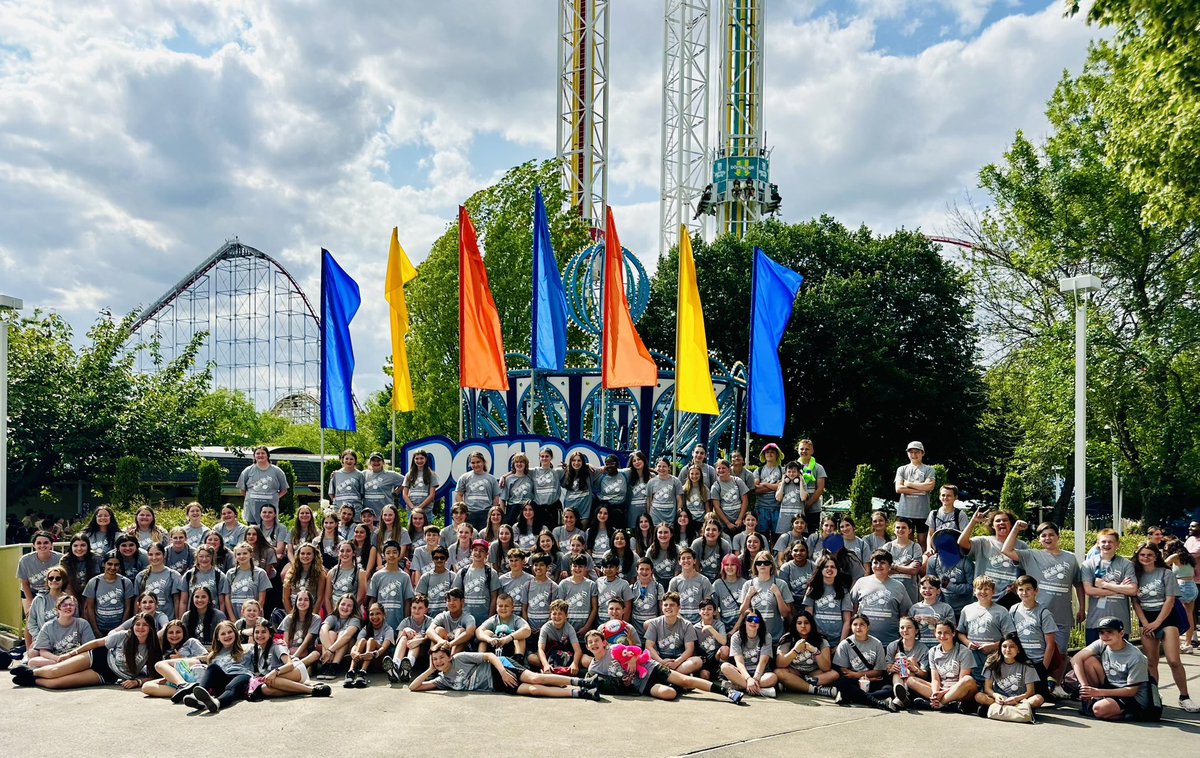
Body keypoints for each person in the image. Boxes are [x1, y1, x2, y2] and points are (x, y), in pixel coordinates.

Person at [1000, 519, 1083, 694]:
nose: (1047, 538)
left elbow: (1078, 584)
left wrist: (1082, 608)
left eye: (1051, 534)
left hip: (1061, 616)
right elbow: (1006, 550)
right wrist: (1015, 529)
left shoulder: (1070, 558)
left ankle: (1056, 686)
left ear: (1058, 537)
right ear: (1039, 539)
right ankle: (1035, 686)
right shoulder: (1032, 555)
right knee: (1033, 654)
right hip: (1034, 617)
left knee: (1059, 654)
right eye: (1043, 535)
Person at [10, 610, 160, 691]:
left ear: (151, 628)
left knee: (55, 684)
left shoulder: (152, 649)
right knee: (54, 671)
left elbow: (155, 675)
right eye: (137, 624)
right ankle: (29, 671)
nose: (140, 628)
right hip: (98, 657)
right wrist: (71, 654)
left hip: (107, 674)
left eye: (145, 625)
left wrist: (137, 682)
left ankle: (33, 681)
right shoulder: (123, 636)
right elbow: (95, 643)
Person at [584, 629, 744, 703]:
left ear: (604, 642)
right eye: (590, 642)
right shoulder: (593, 668)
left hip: (650, 667)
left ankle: (727, 692)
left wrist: (633, 658)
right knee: (670, 694)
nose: (594, 644)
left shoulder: (614, 649)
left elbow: (639, 650)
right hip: (641, 684)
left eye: (596, 640)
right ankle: (677, 686)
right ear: (587, 647)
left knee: (685, 680)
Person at [411, 641, 600, 699]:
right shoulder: (442, 680)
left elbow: (490, 656)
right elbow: (414, 687)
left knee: (535, 679)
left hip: (500, 668)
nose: (438, 661)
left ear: (449, 656)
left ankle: (583, 681)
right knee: (534, 691)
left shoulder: (460, 658)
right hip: (498, 685)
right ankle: (582, 693)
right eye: (435, 659)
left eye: (441, 658)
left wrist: (502, 670)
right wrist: (430, 669)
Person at [1132, 541, 1196, 711]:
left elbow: (1170, 600)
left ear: (1156, 557)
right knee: (1151, 662)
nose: (1146, 558)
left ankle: (1184, 696)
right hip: (1146, 619)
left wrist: (1157, 623)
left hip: (1166, 618)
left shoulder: (1165, 573)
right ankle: (1154, 696)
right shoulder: (1135, 575)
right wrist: (1146, 623)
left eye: (1150, 555)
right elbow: (1135, 601)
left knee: (1173, 660)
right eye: (1142, 555)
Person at [1073, 616, 1159, 721]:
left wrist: (1098, 692)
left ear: (1121, 633)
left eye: (1110, 632)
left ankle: (1133, 713)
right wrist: (1084, 687)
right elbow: (1075, 659)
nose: (1105, 636)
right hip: (1112, 687)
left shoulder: (1136, 657)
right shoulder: (1102, 643)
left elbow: (1132, 691)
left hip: (1133, 698)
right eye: (1102, 632)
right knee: (1088, 661)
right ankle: (1100, 701)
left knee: (1098, 709)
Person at [179, 619, 252, 712]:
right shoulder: (213, 655)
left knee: (234, 683)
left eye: (230, 632)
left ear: (235, 633)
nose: (227, 636)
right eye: (223, 634)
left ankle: (217, 702)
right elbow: (199, 659)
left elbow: (262, 646)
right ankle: (198, 697)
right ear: (217, 637)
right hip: (223, 680)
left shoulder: (248, 648)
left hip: (242, 677)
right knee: (212, 667)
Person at [958, 509, 1027, 607]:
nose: (1001, 523)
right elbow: (962, 542)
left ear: (1011, 524)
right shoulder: (983, 542)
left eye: (1005, 520)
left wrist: (1017, 586)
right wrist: (974, 521)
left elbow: (1026, 570)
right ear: (992, 525)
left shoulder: (1022, 546)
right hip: (983, 594)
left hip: (1009, 597)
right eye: (998, 521)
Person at [246, 620, 331, 699]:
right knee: (265, 689)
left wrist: (274, 672)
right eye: (256, 632)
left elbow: (289, 665)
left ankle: (312, 690)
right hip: (280, 678)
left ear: (270, 634)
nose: (260, 635)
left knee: (271, 680)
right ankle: (298, 689)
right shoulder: (257, 649)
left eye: (264, 632)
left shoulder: (277, 645)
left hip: (295, 670)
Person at [1082, 528, 1137, 643]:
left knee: (1118, 658)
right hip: (1096, 621)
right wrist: (1120, 589)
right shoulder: (1088, 565)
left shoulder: (1126, 564)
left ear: (1117, 544)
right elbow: (1089, 590)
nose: (1107, 544)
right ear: (1098, 544)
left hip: (1120, 620)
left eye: (1111, 542)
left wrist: (1104, 585)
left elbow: (1132, 590)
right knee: (1094, 658)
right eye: (1103, 542)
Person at [850, 550, 912, 647]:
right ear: (871, 565)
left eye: (882, 563)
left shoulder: (898, 586)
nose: (878, 566)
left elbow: (904, 613)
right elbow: (853, 609)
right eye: (875, 563)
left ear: (890, 566)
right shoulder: (861, 582)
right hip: (862, 640)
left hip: (890, 642)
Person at [958, 576, 1016, 679]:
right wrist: (968, 643)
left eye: (986, 589)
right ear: (974, 591)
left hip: (994, 656)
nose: (983, 592)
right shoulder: (967, 609)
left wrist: (993, 646)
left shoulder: (1001, 611)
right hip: (972, 656)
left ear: (993, 591)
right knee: (974, 682)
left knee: (991, 681)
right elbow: (960, 632)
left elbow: (1010, 636)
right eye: (979, 588)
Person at [1009, 575, 1057, 696]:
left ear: (1036, 591)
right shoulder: (1013, 610)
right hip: (1020, 661)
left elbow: (1050, 644)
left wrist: (1043, 669)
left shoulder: (1043, 613)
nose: (1024, 593)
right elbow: (1010, 637)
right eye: (1021, 589)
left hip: (1037, 661)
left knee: (1040, 697)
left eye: (1028, 589)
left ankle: (1050, 684)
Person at [775, 609, 840, 698]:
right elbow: (780, 663)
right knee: (778, 672)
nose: (803, 626)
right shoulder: (787, 638)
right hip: (795, 672)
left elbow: (826, 667)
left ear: (811, 624)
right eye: (799, 623)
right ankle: (816, 690)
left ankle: (794, 685)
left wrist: (815, 651)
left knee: (834, 674)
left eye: (806, 623)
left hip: (813, 674)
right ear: (795, 625)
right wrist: (795, 650)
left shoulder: (821, 639)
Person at [832, 614, 889, 707]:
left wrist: (866, 678)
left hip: (872, 680)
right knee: (842, 684)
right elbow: (844, 671)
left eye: (862, 624)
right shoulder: (844, 644)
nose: (858, 627)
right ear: (851, 626)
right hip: (853, 681)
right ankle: (875, 701)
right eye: (855, 624)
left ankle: (853, 697)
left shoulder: (877, 643)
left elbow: (878, 671)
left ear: (868, 627)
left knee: (888, 689)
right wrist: (858, 677)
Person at [18, 530, 63, 646]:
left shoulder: (59, 559)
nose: (42, 546)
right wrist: (31, 602)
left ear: (51, 544)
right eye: (39, 543)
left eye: (46, 542)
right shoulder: (25, 560)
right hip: (31, 591)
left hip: (52, 591)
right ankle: (28, 649)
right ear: (34, 545)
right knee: (30, 619)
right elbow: (25, 583)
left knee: (54, 616)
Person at [28, 594, 95, 669]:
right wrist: (58, 659)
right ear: (57, 609)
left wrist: (71, 656)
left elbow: (89, 646)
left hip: (76, 657)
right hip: (56, 658)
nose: (68, 607)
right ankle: (61, 666)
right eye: (64, 605)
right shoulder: (48, 626)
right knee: (32, 661)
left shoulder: (82, 623)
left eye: (71, 605)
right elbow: (43, 651)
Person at [925, 619, 979, 712]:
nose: (942, 636)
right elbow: (935, 679)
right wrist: (935, 693)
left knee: (968, 679)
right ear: (935, 634)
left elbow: (961, 681)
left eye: (946, 633)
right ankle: (937, 701)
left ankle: (940, 704)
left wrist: (943, 693)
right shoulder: (932, 651)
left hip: (960, 690)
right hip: (941, 688)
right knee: (911, 680)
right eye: (939, 633)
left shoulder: (964, 652)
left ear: (953, 633)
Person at [720, 613, 778, 697]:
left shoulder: (766, 636)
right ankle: (761, 691)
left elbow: (763, 661)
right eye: (750, 619)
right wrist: (748, 678)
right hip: (742, 673)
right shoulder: (736, 637)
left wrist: (755, 678)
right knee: (724, 667)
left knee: (773, 677)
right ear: (744, 622)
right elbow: (739, 663)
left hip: (760, 674)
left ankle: (739, 687)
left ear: (760, 622)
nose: (753, 622)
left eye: (756, 620)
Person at [740, 550, 793, 641]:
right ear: (755, 565)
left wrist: (778, 594)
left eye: (766, 563)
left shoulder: (780, 584)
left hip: (775, 637)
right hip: (754, 637)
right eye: (759, 563)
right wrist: (748, 596)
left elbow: (785, 613)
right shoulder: (748, 584)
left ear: (771, 564)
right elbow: (743, 613)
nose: (762, 565)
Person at [645, 592, 702, 674]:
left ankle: (668, 676)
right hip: (660, 658)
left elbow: (689, 649)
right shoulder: (654, 623)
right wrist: (661, 661)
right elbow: (649, 646)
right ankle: (676, 678)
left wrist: (676, 662)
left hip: (680, 660)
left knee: (697, 661)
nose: (668, 607)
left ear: (679, 607)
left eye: (672, 605)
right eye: (665, 605)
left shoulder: (687, 624)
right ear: (662, 607)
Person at [383, 593, 433, 683]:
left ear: (426, 609)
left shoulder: (430, 621)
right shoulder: (406, 621)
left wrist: (418, 640)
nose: (416, 611)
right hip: (406, 652)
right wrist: (405, 630)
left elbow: (430, 638)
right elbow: (397, 641)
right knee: (403, 638)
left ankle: (408, 666)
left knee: (416, 637)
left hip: (423, 653)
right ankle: (396, 665)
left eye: (420, 608)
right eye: (414, 608)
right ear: (410, 608)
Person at [805, 553, 853, 646]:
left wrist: (840, 644)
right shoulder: (812, 588)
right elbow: (808, 617)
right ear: (821, 569)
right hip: (818, 639)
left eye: (833, 567)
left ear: (837, 570)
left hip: (837, 640)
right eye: (826, 566)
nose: (829, 569)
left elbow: (847, 621)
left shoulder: (844, 590)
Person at [894, 441, 935, 549]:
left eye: (917, 452)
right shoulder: (902, 469)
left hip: (923, 512)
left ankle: (922, 564)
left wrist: (909, 484)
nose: (913, 454)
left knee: (923, 542)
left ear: (922, 453)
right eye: (911, 452)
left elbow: (929, 487)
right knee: (906, 542)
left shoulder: (929, 469)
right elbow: (898, 488)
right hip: (905, 512)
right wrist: (921, 489)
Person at [884, 615, 930, 710]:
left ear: (916, 631)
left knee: (910, 664)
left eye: (909, 627)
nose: (905, 630)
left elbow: (925, 674)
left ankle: (901, 697)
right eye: (902, 627)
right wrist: (891, 668)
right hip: (896, 679)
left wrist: (915, 668)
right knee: (898, 669)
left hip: (913, 682)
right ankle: (900, 692)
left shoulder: (923, 649)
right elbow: (888, 666)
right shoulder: (893, 645)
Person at [368, 540, 416, 630]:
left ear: (399, 554)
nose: (391, 555)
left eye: (394, 552)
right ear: (383, 555)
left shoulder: (404, 576)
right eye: (388, 552)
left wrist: (405, 623)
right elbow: (372, 599)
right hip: (380, 624)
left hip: (398, 623)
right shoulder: (377, 576)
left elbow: (407, 601)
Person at [345, 601, 394, 688]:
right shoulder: (366, 628)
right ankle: (351, 671)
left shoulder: (388, 629)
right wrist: (353, 653)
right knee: (363, 640)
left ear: (383, 615)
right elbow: (357, 645)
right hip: (364, 658)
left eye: (378, 614)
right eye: (371, 614)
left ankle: (362, 673)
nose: (374, 617)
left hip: (379, 659)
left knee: (371, 640)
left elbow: (384, 648)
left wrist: (373, 654)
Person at [84, 554, 135, 636]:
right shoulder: (94, 582)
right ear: (104, 564)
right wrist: (95, 629)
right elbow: (90, 607)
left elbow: (128, 607)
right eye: (110, 564)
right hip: (100, 627)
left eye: (116, 565)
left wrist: (122, 628)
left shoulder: (126, 582)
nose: (113, 567)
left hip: (118, 628)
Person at [237, 446, 289, 525]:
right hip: (252, 510)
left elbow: (284, 490)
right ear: (254, 456)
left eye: (263, 453)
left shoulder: (277, 471)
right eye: (258, 453)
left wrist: (274, 497)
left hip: (270, 509)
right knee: (253, 533)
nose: (260, 455)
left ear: (268, 455)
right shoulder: (247, 471)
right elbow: (242, 490)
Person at [453, 538, 500, 624]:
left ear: (486, 554)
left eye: (482, 551)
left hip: (484, 619)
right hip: (465, 619)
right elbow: (456, 596)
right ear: (471, 552)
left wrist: (490, 619)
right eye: (475, 550)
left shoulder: (491, 573)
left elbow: (494, 598)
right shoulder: (463, 572)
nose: (478, 553)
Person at [134, 541, 186, 619]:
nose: (154, 557)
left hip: (168, 620)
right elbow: (137, 601)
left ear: (164, 555)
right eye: (150, 554)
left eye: (158, 554)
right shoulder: (140, 576)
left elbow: (176, 601)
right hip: (146, 621)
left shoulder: (173, 575)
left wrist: (177, 620)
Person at [316, 594, 361, 679]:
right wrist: (330, 651)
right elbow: (322, 631)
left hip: (347, 652)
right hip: (332, 652)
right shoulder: (332, 617)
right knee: (330, 633)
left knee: (342, 634)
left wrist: (330, 650)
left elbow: (347, 636)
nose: (345, 607)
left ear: (353, 608)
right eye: (343, 604)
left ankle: (334, 666)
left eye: (349, 605)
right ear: (338, 605)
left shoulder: (355, 620)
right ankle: (326, 665)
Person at [1164, 541, 1197, 651]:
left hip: (1181, 586)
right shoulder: (1188, 557)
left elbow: (1163, 564)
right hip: (1192, 585)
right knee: (1189, 615)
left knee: (1177, 615)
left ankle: (1176, 643)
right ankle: (1188, 643)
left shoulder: (1175, 556)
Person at [534, 598, 582, 673]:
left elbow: (577, 650)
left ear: (566, 615)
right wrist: (545, 664)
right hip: (550, 654)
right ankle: (549, 668)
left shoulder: (569, 628)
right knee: (531, 658)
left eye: (560, 614)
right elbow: (540, 649)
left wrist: (575, 664)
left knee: (584, 660)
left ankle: (567, 668)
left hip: (566, 654)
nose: (557, 616)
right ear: (550, 615)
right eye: (554, 613)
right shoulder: (545, 628)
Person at [883, 518, 923, 603]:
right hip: (889, 590)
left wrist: (893, 567)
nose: (900, 530)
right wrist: (906, 568)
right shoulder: (887, 547)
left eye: (904, 527)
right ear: (894, 530)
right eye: (898, 527)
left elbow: (914, 570)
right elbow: (883, 569)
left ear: (910, 530)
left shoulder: (915, 547)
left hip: (910, 592)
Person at [555, 554, 598, 633]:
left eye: (580, 566)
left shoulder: (591, 584)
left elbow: (594, 608)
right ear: (570, 567)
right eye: (574, 566)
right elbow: (560, 608)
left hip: (585, 628)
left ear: (585, 567)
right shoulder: (563, 584)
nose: (577, 569)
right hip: (567, 628)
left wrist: (586, 627)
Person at [427, 587, 476, 655]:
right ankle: (432, 664)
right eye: (449, 600)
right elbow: (429, 631)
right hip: (444, 647)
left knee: (461, 631)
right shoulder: (442, 616)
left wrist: (450, 644)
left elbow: (470, 633)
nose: (451, 603)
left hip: (461, 651)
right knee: (438, 630)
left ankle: (452, 660)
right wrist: (440, 640)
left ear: (462, 602)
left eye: (454, 600)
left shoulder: (468, 617)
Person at [910, 576, 955, 647]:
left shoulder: (946, 608)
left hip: (939, 646)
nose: (927, 590)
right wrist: (914, 623)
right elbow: (908, 627)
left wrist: (936, 622)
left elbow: (953, 628)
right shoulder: (914, 608)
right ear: (919, 589)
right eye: (924, 588)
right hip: (919, 646)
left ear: (938, 591)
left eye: (931, 588)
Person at [753, 443, 784, 542]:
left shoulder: (782, 470)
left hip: (777, 507)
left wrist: (764, 484)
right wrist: (774, 486)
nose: (769, 454)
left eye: (772, 452)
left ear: (777, 455)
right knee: (762, 537)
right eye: (767, 452)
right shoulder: (759, 470)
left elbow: (782, 488)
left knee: (777, 537)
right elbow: (755, 489)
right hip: (761, 508)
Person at [709, 459, 749, 535]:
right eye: (718, 468)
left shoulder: (737, 481)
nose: (721, 470)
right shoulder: (715, 486)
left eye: (723, 468)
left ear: (729, 469)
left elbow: (745, 500)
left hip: (740, 521)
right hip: (725, 524)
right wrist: (727, 523)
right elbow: (717, 507)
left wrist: (740, 519)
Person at [795, 439, 827, 524]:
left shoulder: (818, 468)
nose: (804, 451)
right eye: (801, 449)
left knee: (812, 535)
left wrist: (808, 504)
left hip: (813, 509)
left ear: (812, 451)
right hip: (796, 507)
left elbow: (820, 489)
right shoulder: (792, 467)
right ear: (798, 450)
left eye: (807, 449)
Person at [595, 555, 633, 625]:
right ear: (602, 568)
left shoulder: (624, 584)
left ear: (617, 568)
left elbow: (628, 607)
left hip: (617, 624)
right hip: (600, 623)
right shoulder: (598, 582)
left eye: (611, 567)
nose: (608, 569)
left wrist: (623, 625)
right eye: (606, 567)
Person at [531, 447, 564, 530]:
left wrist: (566, 467)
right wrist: (504, 476)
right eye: (542, 456)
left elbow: (576, 467)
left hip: (554, 507)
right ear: (539, 458)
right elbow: (517, 470)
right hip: (538, 508)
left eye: (547, 456)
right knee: (538, 532)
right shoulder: (534, 471)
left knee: (555, 531)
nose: (544, 458)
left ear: (551, 457)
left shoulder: (557, 472)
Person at [403, 449, 440, 519]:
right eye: (417, 458)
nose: (419, 461)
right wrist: (412, 507)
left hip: (426, 510)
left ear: (426, 459)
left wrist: (420, 508)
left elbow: (432, 495)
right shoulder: (409, 475)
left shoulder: (431, 475)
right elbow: (405, 494)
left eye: (421, 458)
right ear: (413, 460)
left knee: (426, 529)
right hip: (411, 510)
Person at [329, 449, 366, 520]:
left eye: (351, 459)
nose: (349, 461)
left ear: (355, 461)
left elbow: (362, 493)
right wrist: (336, 503)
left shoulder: (359, 475)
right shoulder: (336, 474)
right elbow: (331, 493)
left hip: (356, 510)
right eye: (346, 459)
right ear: (342, 460)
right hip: (339, 510)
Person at [777, 540, 814, 611]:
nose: (798, 553)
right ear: (791, 552)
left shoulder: (813, 566)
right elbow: (785, 593)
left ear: (807, 552)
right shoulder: (786, 568)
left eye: (802, 550)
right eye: (795, 550)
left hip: (810, 602)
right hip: (793, 603)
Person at [594, 455, 629, 528]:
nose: (609, 466)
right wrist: (599, 468)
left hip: (620, 508)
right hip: (604, 507)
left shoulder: (624, 473)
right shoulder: (601, 475)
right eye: (607, 464)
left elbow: (642, 468)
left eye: (612, 463)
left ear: (617, 464)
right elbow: (586, 467)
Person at [647, 458, 683, 527]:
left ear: (669, 468)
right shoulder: (651, 482)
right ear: (656, 467)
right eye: (659, 466)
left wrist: (678, 515)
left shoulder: (676, 481)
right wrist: (649, 516)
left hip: (670, 518)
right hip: (655, 517)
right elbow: (649, 501)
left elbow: (679, 500)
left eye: (664, 466)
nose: (661, 468)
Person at [774, 461, 806, 540]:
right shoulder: (782, 484)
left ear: (799, 473)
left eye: (794, 472)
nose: (791, 474)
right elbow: (778, 498)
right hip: (784, 520)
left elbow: (803, 498)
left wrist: (801, 481)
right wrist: (783, 482)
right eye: (789, 472)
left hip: (798, 520)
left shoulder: (802, 484)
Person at [631, 558, 664, 629]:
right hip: (636, 625)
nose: (644, 572)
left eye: (647, 569)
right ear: (637, 570)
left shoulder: (658, 587)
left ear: (651, 570)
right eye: (641, 569)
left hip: (652, 625)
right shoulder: (632, 587)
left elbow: (661, 610)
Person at [623, 450, 652, 530]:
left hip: (646, 511)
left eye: (639, 459)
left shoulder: (651, 476)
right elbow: (616, 471)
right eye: (634, 461)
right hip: (632, 512)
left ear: (643, 460)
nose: (637, 462)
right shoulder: (628, 474)